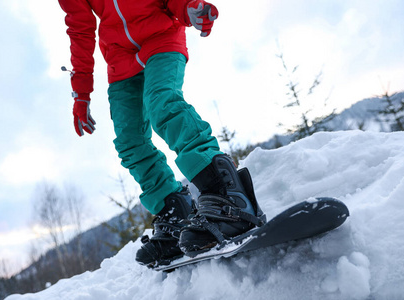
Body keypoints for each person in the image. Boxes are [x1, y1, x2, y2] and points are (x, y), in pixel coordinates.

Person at [58, 0, 266, 267]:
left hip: (161, 36)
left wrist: (188, 8)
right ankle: (175, 214)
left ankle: (228, 197)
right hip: (120, 60)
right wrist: (82, 92)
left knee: (163, 104)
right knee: (129, 141)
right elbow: (80, 30)